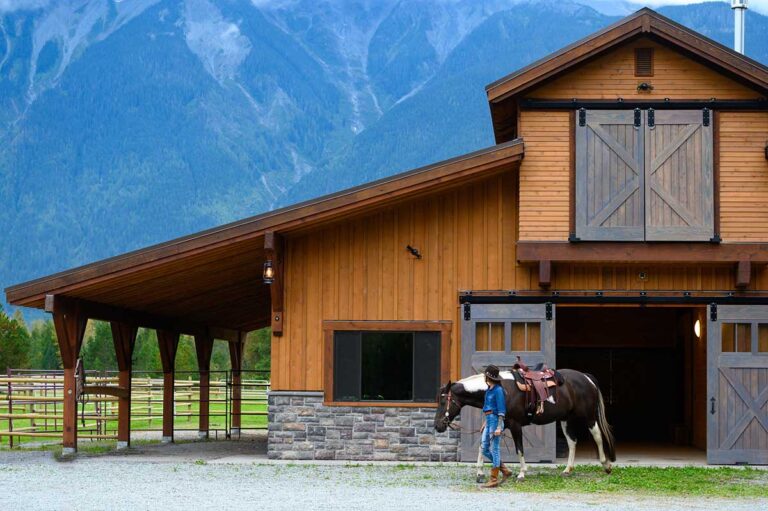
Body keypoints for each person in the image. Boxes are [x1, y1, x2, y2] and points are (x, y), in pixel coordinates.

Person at [480, 365, 513, 488]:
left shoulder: (498, 390)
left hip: (495, 421)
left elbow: (501, 410)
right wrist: (485, 423)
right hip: (489, 420)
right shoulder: (489, 390)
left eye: (485, 375)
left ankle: (493, 479)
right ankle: (504, 470)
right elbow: (487, 408)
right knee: (484, 448)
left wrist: (499, 427)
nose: (484, 377)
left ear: (488, 377)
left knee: (495, 449)